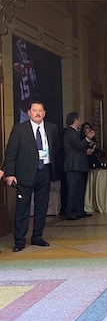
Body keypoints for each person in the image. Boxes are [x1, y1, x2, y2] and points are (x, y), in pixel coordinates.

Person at [4, 99, 60, 252]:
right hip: (25, 174)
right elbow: (11, 153)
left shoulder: (51, 128)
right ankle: (19, 240)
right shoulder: (19, 129)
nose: (37, 113)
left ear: (44, 113)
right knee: (22, 207)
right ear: (29, 113)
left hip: (44, 172)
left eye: (40, 110)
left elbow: (56, 147)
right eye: (34, 110)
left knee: (42, 206)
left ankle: (37, 237)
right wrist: (10, 173)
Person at [63, 112, 95, 220]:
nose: (80, 121)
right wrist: (88, 138)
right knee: (73, 190)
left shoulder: (72, 132)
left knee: (79, 190)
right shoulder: (71, 132)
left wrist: (85, 151)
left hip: (77, 165)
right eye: (79, 119)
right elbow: (78, 145)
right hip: (73, 166)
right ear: (75, 120)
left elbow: (75, 149)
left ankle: (79, 211)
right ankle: (71, 212)